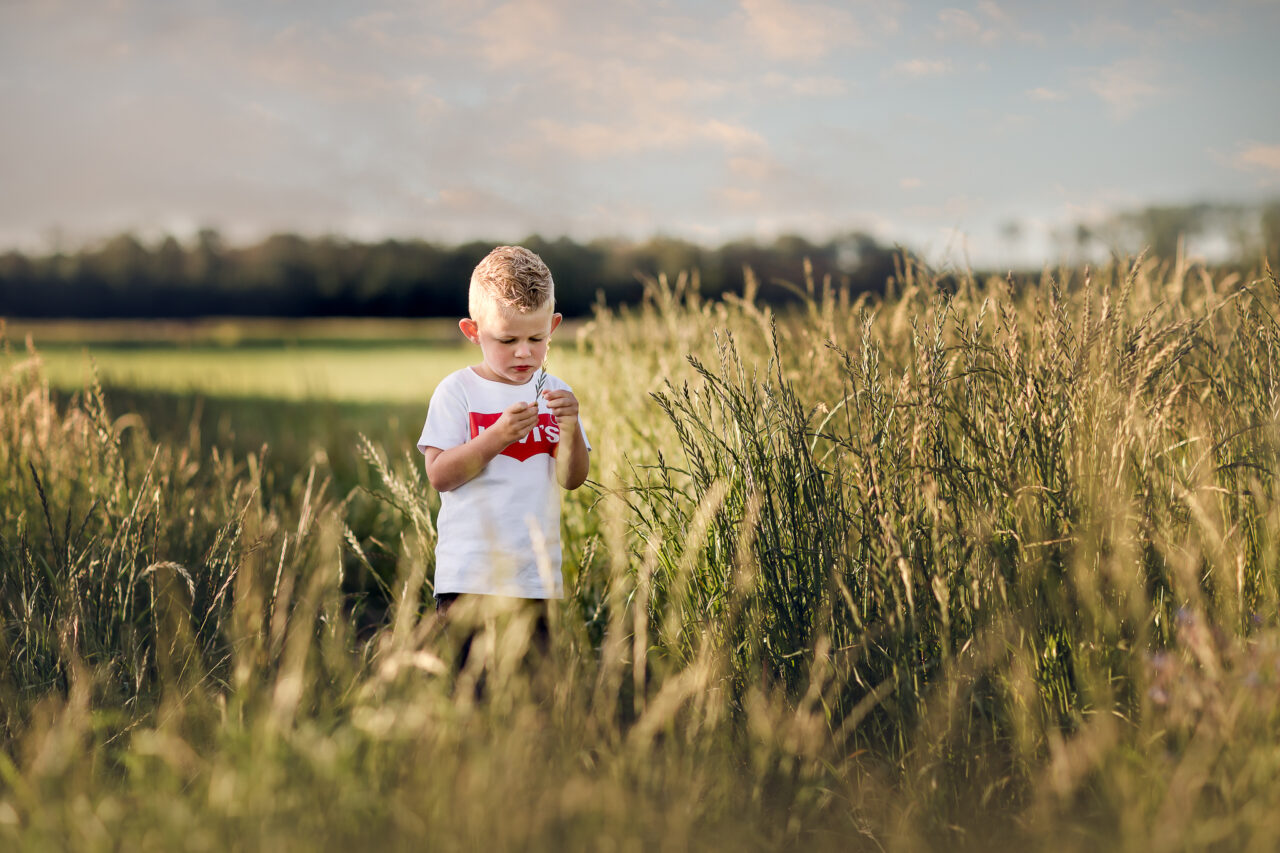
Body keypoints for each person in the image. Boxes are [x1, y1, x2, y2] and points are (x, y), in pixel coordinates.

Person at [416, 245, 590, 673]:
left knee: (532, 699)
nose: (524, 353)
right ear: (473, 331)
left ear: (554, 326)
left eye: (536, 339)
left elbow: (572, 479)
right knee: (468, 693)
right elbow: (440, 475)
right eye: (507, 340)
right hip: (468, 576)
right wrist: (497, 437)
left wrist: (569, 428)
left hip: (534, 577)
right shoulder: (457, 391)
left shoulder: (555, 393)